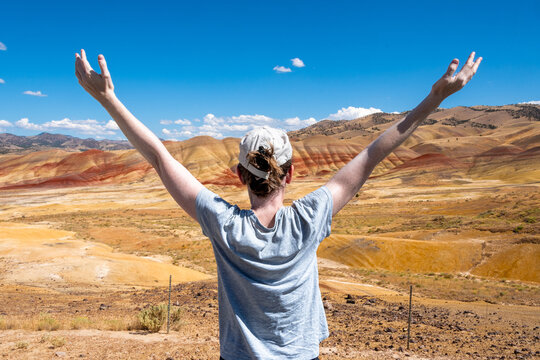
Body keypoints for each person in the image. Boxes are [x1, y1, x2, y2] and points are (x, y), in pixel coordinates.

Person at [75, 50, 482, 360]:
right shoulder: (310, 218)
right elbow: (374, 154)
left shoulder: (224, 224)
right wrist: (435, 98)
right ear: (290, 174)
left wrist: (108, 99)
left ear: (240, 176)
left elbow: (161, 158)